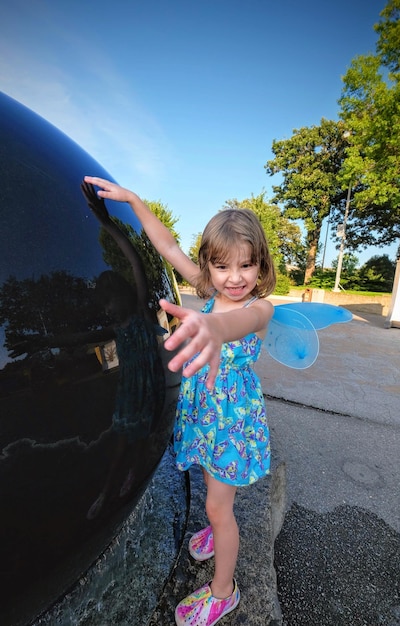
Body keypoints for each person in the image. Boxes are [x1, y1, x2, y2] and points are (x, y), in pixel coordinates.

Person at [83, 175, 276, 626]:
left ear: (261, 267)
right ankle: (216, 524)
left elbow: (235, 325)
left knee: (218, 505)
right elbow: (168, 247)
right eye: (223, 267)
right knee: (214, 491)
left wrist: (213, 329)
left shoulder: (261, 309)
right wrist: (133, 202)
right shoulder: (208, 292)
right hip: (207, 413)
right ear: (208, 267)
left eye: (246, 266)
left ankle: (223, 591)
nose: (235, 278)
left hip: (229, 421)